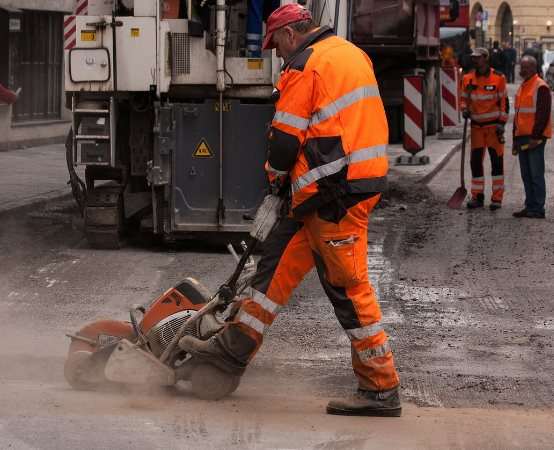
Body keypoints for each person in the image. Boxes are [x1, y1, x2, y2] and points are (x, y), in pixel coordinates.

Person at [180, 3, 402, 417]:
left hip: (335, 193)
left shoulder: (304, 65)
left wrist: (274, 178)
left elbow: (285, 142)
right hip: (331, 189)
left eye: (275, 44)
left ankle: (381, 387)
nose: (276, 53)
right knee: (273, 271)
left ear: (290, 34)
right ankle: (230, 353)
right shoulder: (351, 53)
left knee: (348, 289)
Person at [461, 48, 509, 210]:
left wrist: (502, 123)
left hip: (493, 128)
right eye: (473, 57)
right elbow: (463, 99)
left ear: (486, 59)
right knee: (475, 163)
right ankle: (477, 197)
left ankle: (496, 199)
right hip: (476, 129)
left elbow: (504, 102)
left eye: (478, 57)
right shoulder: (467, 78)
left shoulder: (498, 78)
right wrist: (464, 109)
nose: (475, 60)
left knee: (496, 163)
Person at [512, 55, 552, 219]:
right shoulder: (524, 86)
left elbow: (542, 114)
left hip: (534, 137)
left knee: (535, 173)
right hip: (522, 137)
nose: (523, 70)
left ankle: (538, 208)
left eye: (526, 67)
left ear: (534, 68)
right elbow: (518, 114)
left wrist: (536, 137)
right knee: (526, 174)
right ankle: (530, 206)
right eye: (522, 67)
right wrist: (515, 139)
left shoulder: (540, 86)